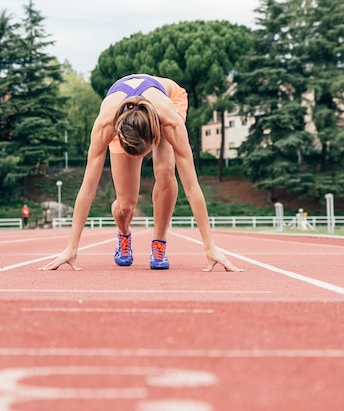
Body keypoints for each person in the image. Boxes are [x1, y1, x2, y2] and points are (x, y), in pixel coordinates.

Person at [40, 73, 242, 272]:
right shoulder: (105, 126)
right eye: (133, 155)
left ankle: (159, 244)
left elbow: (191, 187)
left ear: (155, 136)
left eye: (141, 155)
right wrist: (71, 247)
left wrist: (210, 247)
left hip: (170, 100)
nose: (138, 160)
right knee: (126, 206)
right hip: (125, 116)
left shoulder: (171, 124)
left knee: (165, 171)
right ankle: (124, 234)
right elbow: (89, 187)